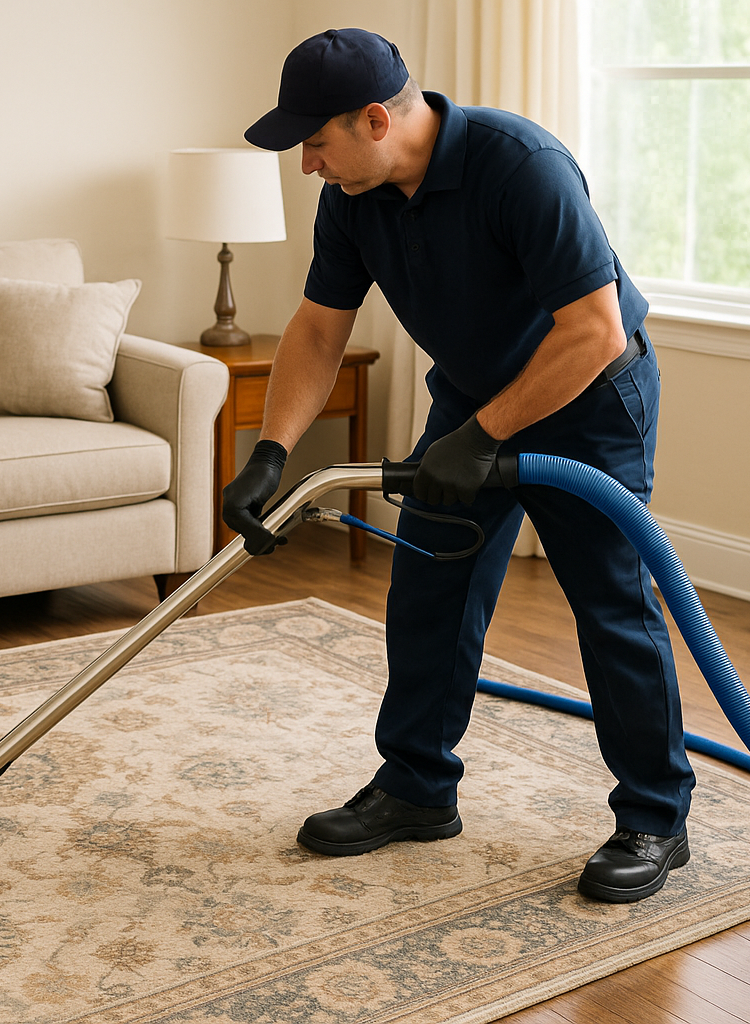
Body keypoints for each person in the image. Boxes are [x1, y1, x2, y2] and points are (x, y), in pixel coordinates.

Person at [224, 28, 697, 903]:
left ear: (373, 121)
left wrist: (481, 439)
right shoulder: (354, 197)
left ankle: (656, 817)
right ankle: (415, 787)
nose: (306, 166)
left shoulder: (520, 166)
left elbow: (592, 329)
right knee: (430, 588)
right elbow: (320, 328)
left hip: (590, 396)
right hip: (476, 397)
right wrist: (270, 449)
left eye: (314, 143)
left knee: (611, 602)